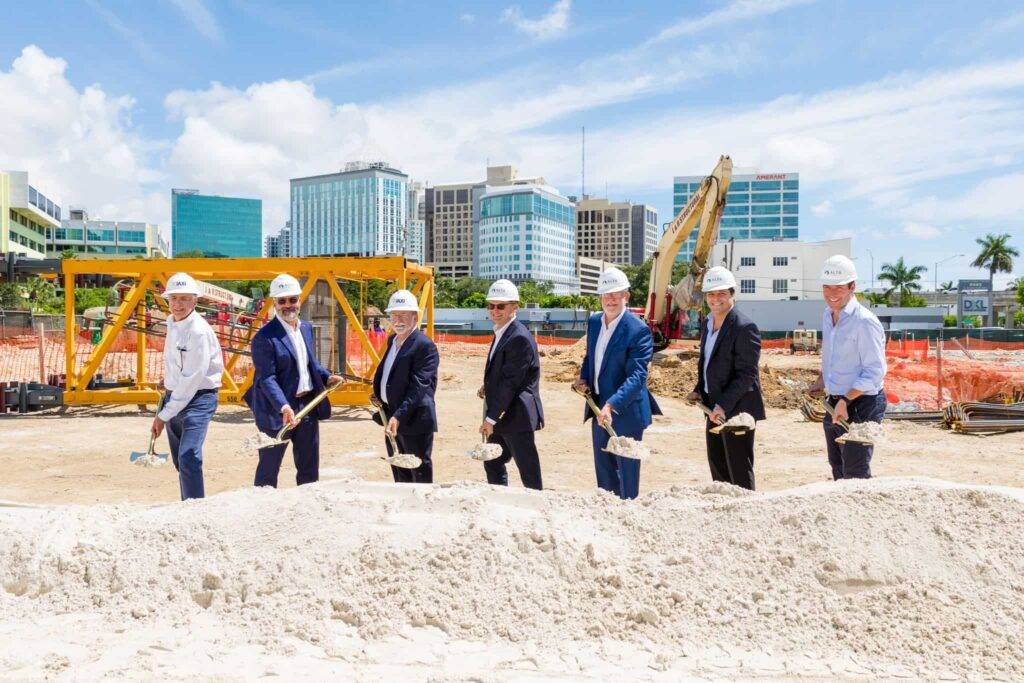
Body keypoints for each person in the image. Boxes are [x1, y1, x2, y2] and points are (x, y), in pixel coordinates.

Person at [243, 274, 343, 488]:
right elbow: (266, 378)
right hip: (276, 411)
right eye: (282, 301)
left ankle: (308, 509)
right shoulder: (264, 338)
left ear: (299, 300)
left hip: (307, 407)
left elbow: (309, 363)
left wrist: (327, 376)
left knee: (309, 468)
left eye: (292, 300)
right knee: (269, 468)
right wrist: (283, 406)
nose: (288, 305)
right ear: (274, 303)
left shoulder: (305, 328)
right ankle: (263, 510)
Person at [573, 267, 661, 499]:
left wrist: (611, 405)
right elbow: (591, 357)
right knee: (604, 471)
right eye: (606, 294)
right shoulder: (594, 323)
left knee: (627, 474)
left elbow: (637, 376)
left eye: (616, 294)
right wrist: (584, 378)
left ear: (626, 296)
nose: (610, 299)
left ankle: (628, 515)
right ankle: (608, 516)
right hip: (599, 406)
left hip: (626, 410)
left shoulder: (638, 330)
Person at [685, 266, 765, 490]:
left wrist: (723, 405)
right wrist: (699, 389)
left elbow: (747, 374)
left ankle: (746, 513)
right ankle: (724, 512)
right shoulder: (708, 323)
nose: (715, 299)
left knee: (738, 469)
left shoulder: (744, 327)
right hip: (713, 408)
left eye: (721, 293)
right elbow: (709, 364)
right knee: (718, 465)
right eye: (711, 294)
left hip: (737, 409)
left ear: (732, 293)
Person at [808, 255, 887, 480]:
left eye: (839, 287)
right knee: (837, 467)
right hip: (836, 401)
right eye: (827, 287)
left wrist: (846, 400)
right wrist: (822, 381)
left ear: (853, 287)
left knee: (855, 472)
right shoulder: (827, 314)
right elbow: (834, 357)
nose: (831, 293)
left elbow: (874, 372)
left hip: (862, 402)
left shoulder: (865, 321)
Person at [151, 272, 223, 501]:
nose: (178, 304)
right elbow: (178, 364)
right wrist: (168, 383)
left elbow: (192, 377)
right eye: (174, 298)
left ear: (195, 300)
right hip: (177, 395)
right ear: (167, 300)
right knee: (180, 461)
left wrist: (163, 415)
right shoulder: (173, 323)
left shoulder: (198, 331)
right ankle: (187, 505)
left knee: (189, 455)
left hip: (199, 399)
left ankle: (195, 510)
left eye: (184, 299)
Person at [478, 279, 544, 490]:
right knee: (493, 460)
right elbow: (503, 372)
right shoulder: (502, 331)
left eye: (501, 306)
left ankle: (537, 506)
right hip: (504, 413)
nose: (495, 310)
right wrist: (487, 386)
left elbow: (511, 383)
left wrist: (490, 418)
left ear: (515, 307)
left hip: (517, 415)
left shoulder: (519, 337)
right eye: (491, 305)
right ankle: (500, 498)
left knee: (527, 467)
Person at [371, 289, 439, 483]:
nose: (397, 320)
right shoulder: (392, 340)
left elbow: (419, 387)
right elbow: (388, 373)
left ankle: (422, 510)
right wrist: (379, 393)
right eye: (394, 315)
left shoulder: (424, 346)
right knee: (399, 470)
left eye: (402, 315)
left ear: (414, 316)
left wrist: (398, 416)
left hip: (413, 420)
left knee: (418, 469)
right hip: (391, 416)